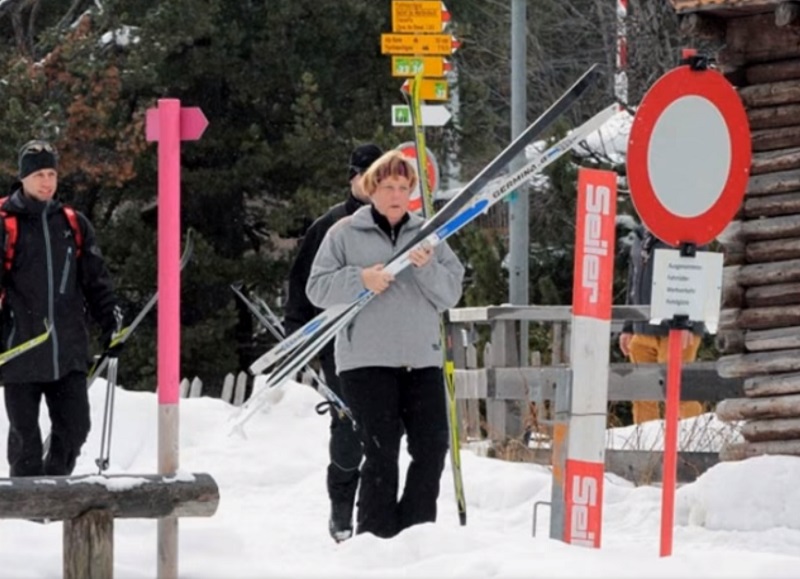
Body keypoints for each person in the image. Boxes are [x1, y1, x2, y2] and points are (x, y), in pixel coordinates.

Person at [306, 150, 465, 539]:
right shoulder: (342, 233)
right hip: (366, 362)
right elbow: (317, 288)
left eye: (403, 187)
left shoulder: (429, 236)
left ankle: (413, 534)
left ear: (412, 191)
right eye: (388, 187)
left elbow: (450, 294)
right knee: (381, 453)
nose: (396, 195)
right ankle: (375, 540)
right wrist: (360, 279)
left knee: (431, 449)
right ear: (371, 189)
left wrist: (426, 267)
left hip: (421, 360)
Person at [2, 139, 123, 477]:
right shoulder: (6, 224)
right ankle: (27, 514)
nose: (47, 181)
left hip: (67, 350)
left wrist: (112, 322)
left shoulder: (72, 224)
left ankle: (55, 493)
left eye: (52, 173)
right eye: (39, 173)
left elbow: (96, 282)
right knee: (25, 440)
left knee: (75, 428)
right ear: (23, 177)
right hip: (20, 350)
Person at [283, 143, 383, 542]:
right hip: (338, 342)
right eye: (366, 176)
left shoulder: (397, 223)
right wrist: (297, 335)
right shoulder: (329, 227)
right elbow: (301, 284)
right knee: (349, 430)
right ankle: (342, 511)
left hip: (386, 342)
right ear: (353, 178)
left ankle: (374, 517)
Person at [618, 225, 704, 424]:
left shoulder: (686, 229)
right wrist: (628, 326)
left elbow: (699, 276)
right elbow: (633, 283)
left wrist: (688, 324)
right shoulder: (640, 236)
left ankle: (693, 443)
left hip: (676, 329)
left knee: (678, 393)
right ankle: (647, 447)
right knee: (642, 395)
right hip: (642, 328)